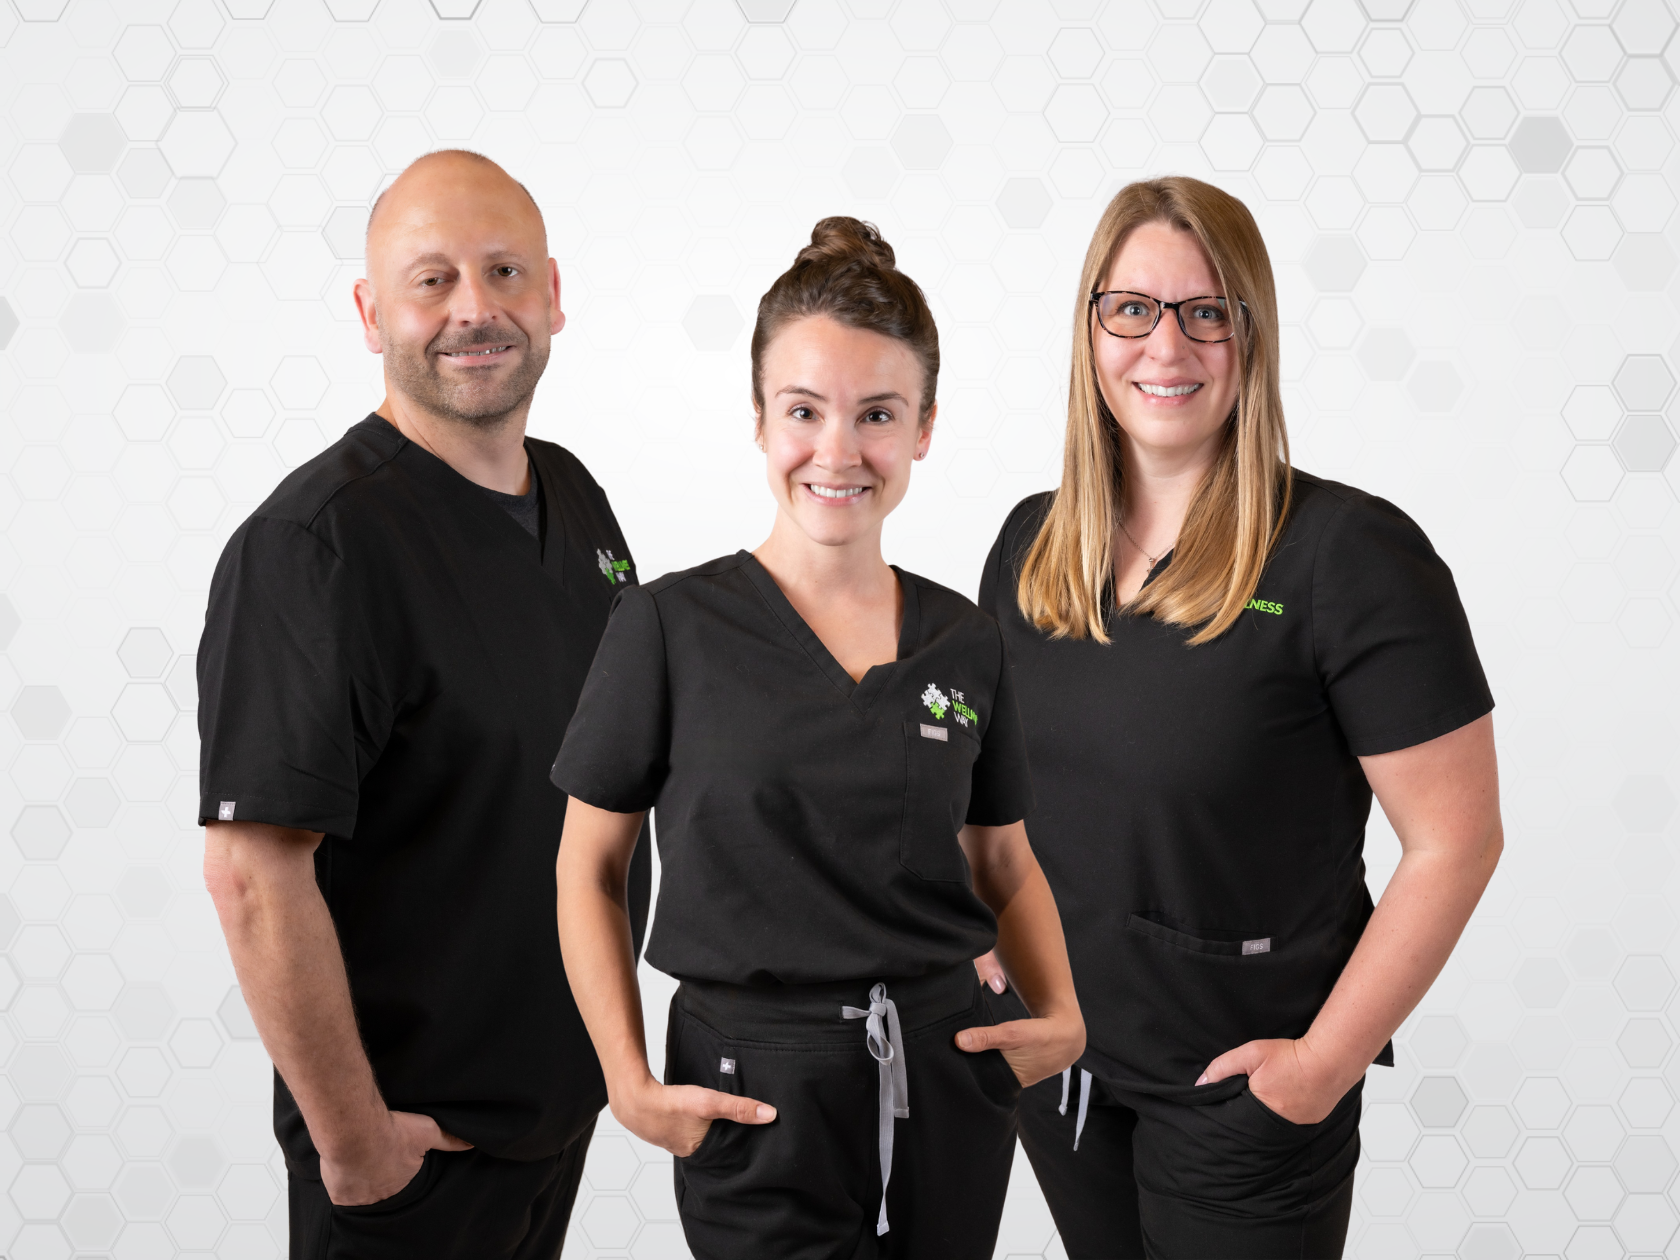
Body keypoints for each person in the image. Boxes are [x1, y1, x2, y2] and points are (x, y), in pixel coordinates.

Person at [976, 177, 1504, 1258]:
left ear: (1251, 335)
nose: (1165, 345)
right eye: (1132, 309)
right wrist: (982, 943)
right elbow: (991, 795)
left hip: (1242, 1097)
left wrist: (1317, 1070)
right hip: (1062, 1076)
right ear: (1090, 330)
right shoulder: (1030, 547)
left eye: (1205, 311)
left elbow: (1457, 842)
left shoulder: (1351, 557)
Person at [551, 217, 1086, 1258]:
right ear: (759, 419)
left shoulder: (965, 643)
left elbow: (1004, 862)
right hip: (751, 1089)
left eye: (877, 415)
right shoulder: (667, 628)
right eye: (805, 411)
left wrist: (1063, 1012)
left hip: (947, 1075)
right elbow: (589, 867)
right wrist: (626, 1079)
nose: (838, 452)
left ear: (924, 428)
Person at [198, 150, 650, 1260]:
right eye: (432, 279)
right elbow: (254, 871)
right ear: (370, 313)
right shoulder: (317, 549)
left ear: (553, 295)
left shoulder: (577, 500)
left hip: (553, 1123)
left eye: (503, 272)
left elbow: (628, 761)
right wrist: (357, 1147)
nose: (475, 309)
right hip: (414, 1161)